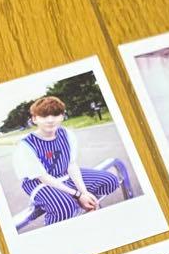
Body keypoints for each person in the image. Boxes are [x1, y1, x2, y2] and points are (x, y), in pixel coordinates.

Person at [11, 96, 121, 225]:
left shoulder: (66, 134)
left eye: (55, 114)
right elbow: (42, 177)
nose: (50, 120)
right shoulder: (26, 145)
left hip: (64, 174)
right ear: (34, 119)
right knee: (64, 207)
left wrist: (84, 193)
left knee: (110, 180)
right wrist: (78, 195)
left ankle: (85, 206)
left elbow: (71, 165)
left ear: (62, 116)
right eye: (44, 116)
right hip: (40, 182)